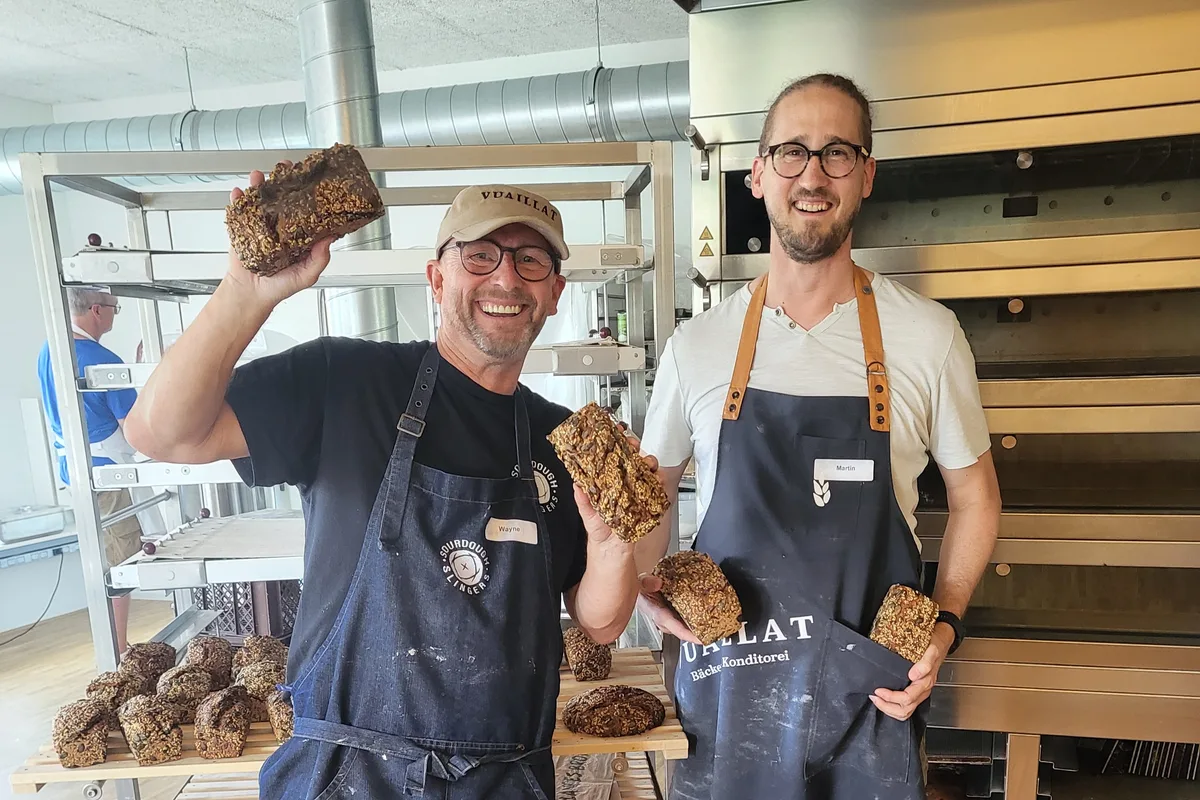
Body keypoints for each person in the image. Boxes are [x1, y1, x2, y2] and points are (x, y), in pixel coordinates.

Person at [124, 178, 644, 799]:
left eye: (531, 261)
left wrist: (613, 544)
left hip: (506, 779)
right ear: (437, 277)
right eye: (480, 255)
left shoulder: (564, 440)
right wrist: (246, 291)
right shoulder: (343, 381)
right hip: (344, 774)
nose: (506, 279)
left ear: (555, 292)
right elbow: (160, 434)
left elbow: (600, 622)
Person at [635, 74, 1002, 800]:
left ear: (866, 175)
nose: (813, 175)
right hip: (730, 696)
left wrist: (946, 624)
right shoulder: (697, 346)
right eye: (792, 152)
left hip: (870, 705)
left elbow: (977, 497)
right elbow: (651, 499)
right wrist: (646, 589)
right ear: (759, 174)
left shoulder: (928, 337)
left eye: (837, 153)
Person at [37, 287, 144, 655]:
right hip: (108, 473)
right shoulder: (103, 360)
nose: (116, 313)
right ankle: (118, 650)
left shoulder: (48, 351)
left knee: (101, 556)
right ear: (96, 310)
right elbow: (135, 428)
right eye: (115, 307)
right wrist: (145, 382)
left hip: (73, 470)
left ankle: (116, 644)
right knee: (121, 560)